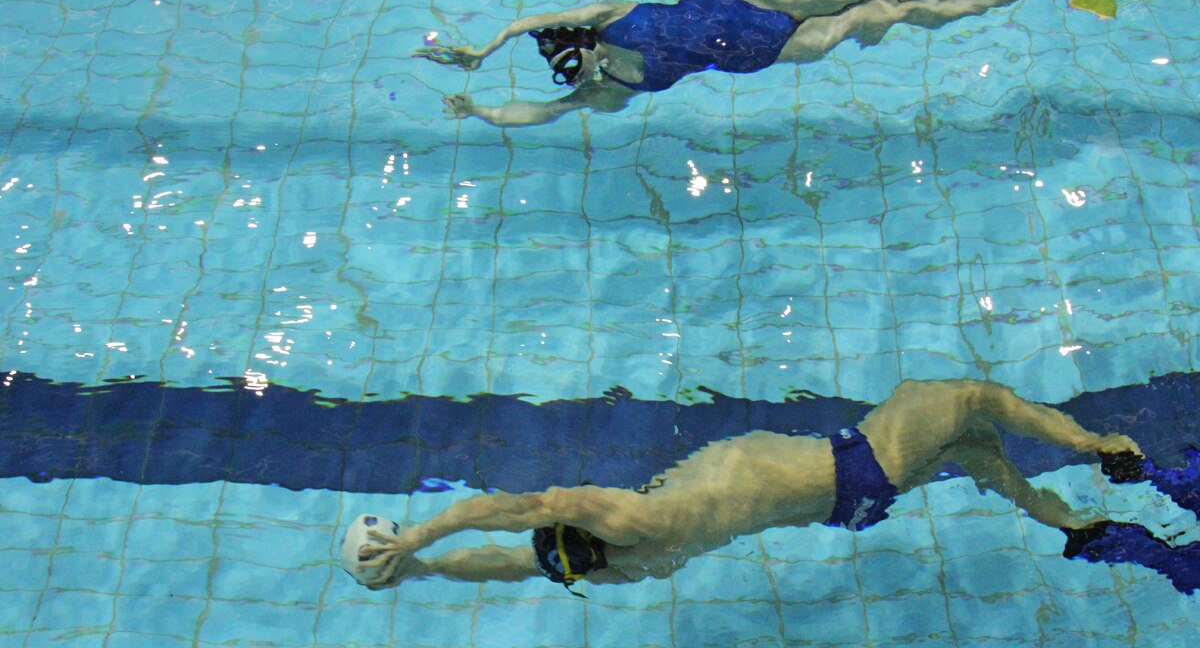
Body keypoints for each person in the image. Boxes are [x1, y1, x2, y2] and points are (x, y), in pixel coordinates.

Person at [341, 378, 1200, 597]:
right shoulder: (637, 520)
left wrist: (416, 571)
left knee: (981, 453)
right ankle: (1107, 451)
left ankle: (1081, 524)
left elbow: (509, 557)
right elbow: (518, 510)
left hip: (843, 502)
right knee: (968, 401)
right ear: (591, 523)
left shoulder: (627, 568)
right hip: (856, 463)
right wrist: (417, 535)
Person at [414, 0, 1113, 127]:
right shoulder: (612, 91)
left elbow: (531, 19)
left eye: (576, 63)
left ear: (584, 40)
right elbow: (538, 113)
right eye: (574, 76)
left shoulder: (610, 17)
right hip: (768, 50)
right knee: (897, 16)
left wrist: (485, 49)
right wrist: (478, 112)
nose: (582, 76)